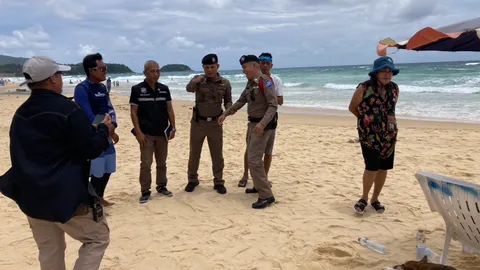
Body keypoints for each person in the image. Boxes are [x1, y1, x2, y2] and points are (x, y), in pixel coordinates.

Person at [0, 56, 113, 270]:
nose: (61, 79)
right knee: (97, 238)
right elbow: (90, 149)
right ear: (52, 79)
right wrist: (105, 130)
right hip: (64, 194)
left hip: (30, 194)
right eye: (60, 75)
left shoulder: (21, 113)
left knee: (49, 250)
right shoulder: (69, 110)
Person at [218, 55, 278, 209]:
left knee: (254, 159)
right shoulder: (251, 83)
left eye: (245, 67)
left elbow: (273, 106)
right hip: (252, 123)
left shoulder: (265, 81)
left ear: (254, 66)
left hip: (262, 126)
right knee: (252, 157)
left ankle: (266, 195)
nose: (243, 71)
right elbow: (241, 101)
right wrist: (226, 114)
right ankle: (258, 186)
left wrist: (262, 124)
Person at [348, 56, 400, 215]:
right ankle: (364, 198)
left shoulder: (395, 88)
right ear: (375, 73)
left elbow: (390, 109)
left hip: (389, 134)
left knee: (383, 168)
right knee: (371, 166)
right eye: (383, 71)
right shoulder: (364, 88)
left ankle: (375, 199)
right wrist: (366, 122)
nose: (387, 74)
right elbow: (352, 107)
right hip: (369, 136)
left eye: (389, 71)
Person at [74, 53, 119, 207]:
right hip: (93, 135)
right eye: (102, 68)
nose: (105, 71)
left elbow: (109, 108)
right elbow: (88, 114)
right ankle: (93, 202)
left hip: (106, 132)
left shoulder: (102, 87)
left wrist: (113, 126)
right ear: (91, 70)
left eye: (105, 68)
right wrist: (106, 128)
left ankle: (100, 197)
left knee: (108, 167)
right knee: (96, 170)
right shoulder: (81, 89)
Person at [185, 53, 232, 194]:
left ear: (217, 66)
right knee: (194, 153)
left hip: (215, 124)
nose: (210, 70)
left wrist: (226, 113)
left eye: (212, 67)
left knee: (217, 154)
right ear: (203, 67)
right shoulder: (198, 80)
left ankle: (218, 182)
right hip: (198, 123)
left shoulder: (225, 83)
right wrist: (196, 81)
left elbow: (228, 101)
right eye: (207, 67)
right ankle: (192, 180)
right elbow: (189, 89)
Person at [130, 60, 176, 203]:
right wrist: (138, 133)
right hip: (146, 134)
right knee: (146, 163)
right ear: (145, 73)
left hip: (162, 133)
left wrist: (173, 127)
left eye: (158, 71)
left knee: (162, 162)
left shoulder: (164, 89)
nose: (156, 74)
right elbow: (133, 112)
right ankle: (145, 191)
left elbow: (169, 109)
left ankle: (161, 186)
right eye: (152, 71)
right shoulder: (137, 89)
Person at [238, 52, 284, 188]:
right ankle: (246, 175)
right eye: (262, 63)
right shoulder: (252, 80)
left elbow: (279, 101)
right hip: (254, 121)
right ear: (257, 65)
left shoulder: (274, 80)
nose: (264, 65)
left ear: (271, 65)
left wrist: (268, 97)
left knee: (268, 151)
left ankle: (264, 179)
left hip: (270, 121)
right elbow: (245, 98)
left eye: (267, 63)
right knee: (250, 149)